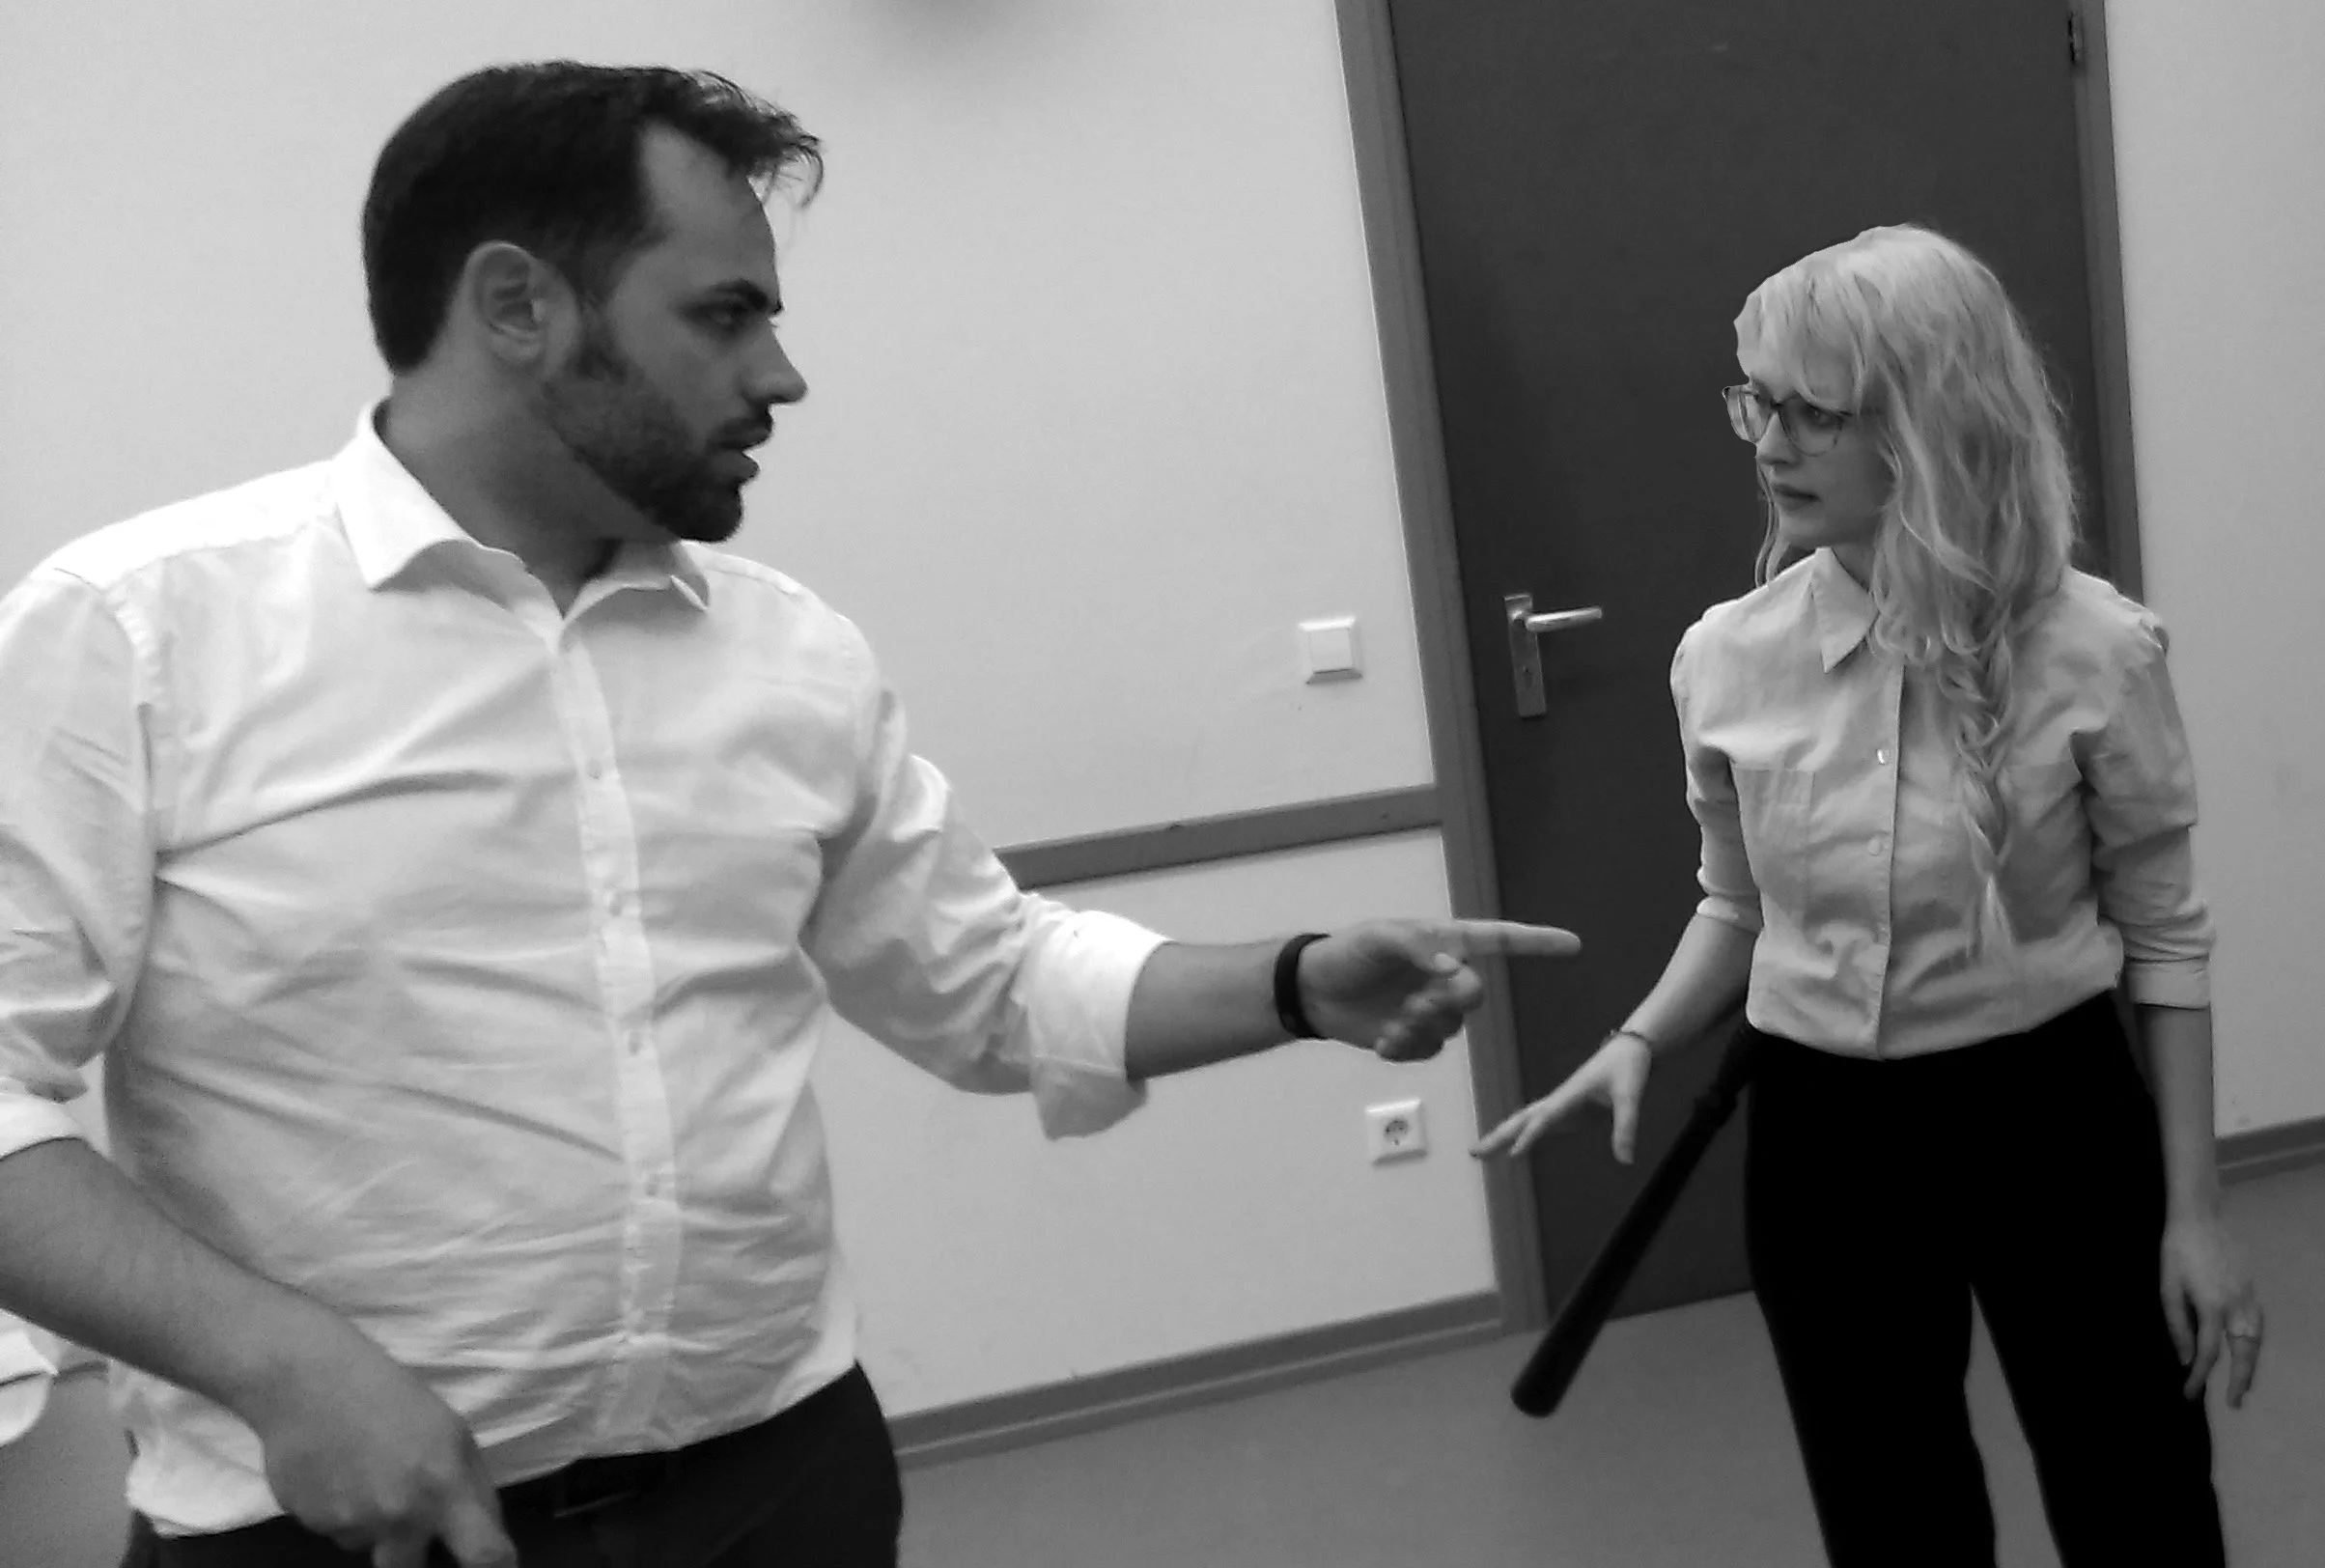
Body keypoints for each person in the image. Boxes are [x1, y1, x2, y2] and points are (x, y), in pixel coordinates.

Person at [0, 64, 1579, 1568]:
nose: (782, 372)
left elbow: (986, 978)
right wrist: (278, 1362)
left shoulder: (785, 651)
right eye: (724, 313)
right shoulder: (136, 635)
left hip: (784, 1484)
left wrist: (1297, 981)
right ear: (516, 306)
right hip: (349, 1519)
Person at [1474, 224, 2261, 1567]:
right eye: (1755, 402)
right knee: (1889, 1507)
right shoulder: (1725, 662)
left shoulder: (2097, 652)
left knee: (2133, 1484)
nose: (1768, 444)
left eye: (1811, 412)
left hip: (2051, 1119)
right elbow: (1735, 904)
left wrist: (2195, 1216)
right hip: (1827, 1137)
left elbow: (2167, 945)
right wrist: (1639, 1039)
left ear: (1932, 422)